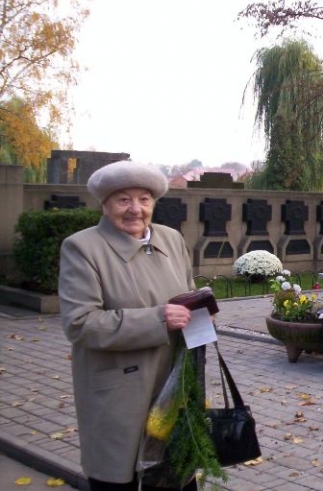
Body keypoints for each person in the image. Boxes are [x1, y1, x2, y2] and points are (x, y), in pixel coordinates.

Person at [59, 160, 200, 491]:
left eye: (144, 199)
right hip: (119, 393)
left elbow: (188, 294)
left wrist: (199, 312)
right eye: (123, 200)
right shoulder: (82, 248)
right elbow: (81, 323)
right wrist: (159, 319)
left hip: (173, 385)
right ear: (105, 205)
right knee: (118, 478)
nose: (136, 209)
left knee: (175, 479)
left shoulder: (171, 239)